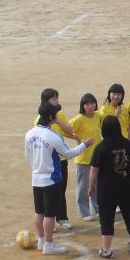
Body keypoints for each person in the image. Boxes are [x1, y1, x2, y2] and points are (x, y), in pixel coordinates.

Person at [24, 103, 92, 256]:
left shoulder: (29, 134)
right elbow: (68, 154)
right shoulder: (52, 136)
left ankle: (42, 240)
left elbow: (27, 157)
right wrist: (84, 145)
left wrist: (36, 170)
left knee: (39, 212)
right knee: (50, 214)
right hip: (51, 179)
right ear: (51, 117)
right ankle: (49, 244)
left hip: (36, 177)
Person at [89, 116, 130, 258]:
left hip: (107, 189)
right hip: (127, 186)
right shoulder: (128, 144)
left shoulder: (101, 147)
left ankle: (106, 250)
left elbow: (94, 169)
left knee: (106, 218)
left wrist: (90, 186)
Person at [34, 88, 77, 231]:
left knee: (61, 190)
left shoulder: (59, 115)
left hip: (61, 159)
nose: (57, 101)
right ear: (46, 102)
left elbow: (69, 130)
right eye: (54, 99)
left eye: (57, 98)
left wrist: (58, 121)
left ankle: (62, 217)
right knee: (48, 193)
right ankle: (50, 219)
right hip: (48, 162)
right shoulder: (39, 120)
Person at [69, 93, 102, 221]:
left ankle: (96, 208)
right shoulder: (79, 119)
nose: (90, 106)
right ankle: (84, 211)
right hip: (83, 157)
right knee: (83, 187)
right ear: (83, 106)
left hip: (97, 157)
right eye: (87, 104)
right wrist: (78, 139)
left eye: (92, 103)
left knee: (96, 185)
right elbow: (66, 129)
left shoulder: (98, 116)